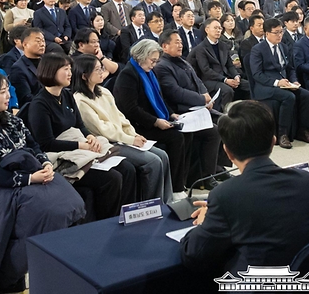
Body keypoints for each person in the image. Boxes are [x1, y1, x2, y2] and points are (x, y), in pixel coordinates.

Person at [0, 72, 85, 290]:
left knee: (72, 203)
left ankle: (55, 258)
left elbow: (33, 146)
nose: (8, 96)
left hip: (30, 175)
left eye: (8, 90)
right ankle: (16, 267)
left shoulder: (12, 121)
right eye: (2, 92)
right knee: (49, 210)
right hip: (0, 187)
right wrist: (28, 179)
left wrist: (44, 163)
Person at [181, 100, 309, 287]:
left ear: (227, 151)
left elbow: (194, 255)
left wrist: (207, 220)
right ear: (273, 142)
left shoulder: (225, 195)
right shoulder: (306, 181)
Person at [24, 53, 136, 220]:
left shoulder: (67, 95)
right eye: (65, 69)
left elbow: (80, 125)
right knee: (111, 178)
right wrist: (81, 145)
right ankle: (107, 222)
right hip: (62, 157)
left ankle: (127, 216)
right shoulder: (39, 104)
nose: (70, 73)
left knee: (128, 169)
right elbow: (46, 143)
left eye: (70, 69)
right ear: (51, 71)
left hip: (80, 149)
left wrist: (90, 137)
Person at [71, 55, 172, 202]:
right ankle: (153, 205)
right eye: (97, 69)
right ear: (84, 75)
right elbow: (102, 129)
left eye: (102, 68)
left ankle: (166, 201)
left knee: (162, 155)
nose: (102, 72)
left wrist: (134, 134)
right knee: (153, 161)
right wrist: (130, 139)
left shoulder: (103, 91)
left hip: (124, 138)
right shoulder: (80, 100)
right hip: (108, 143)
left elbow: (121, 117)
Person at [113, 39, 192, 193]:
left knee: (186, 133)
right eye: (152, 60)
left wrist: (171, 114)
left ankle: (181, 181)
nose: (154, 64)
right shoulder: (128, 75)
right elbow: (131, 109)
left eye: (156, 61)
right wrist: (155, 122)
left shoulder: (148, 72)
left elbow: (158, 98)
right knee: (176, 138)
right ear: (141, 56)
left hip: (151, 119)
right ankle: (175, 189)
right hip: (137, 125)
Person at [153, 31, 224, 187]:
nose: (180, 45)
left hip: (197, 108)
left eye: (180, 42)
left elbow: (198, 81)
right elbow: (175, 92)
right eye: (176, 42)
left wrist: (205, 94)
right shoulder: (162, 67)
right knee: (213, 131)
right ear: (164, 47)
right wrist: (201, 99)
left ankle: (215, 169)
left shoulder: (182, 61)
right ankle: (205, 177)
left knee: (225, 121)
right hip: (181, 112)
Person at [249, 18, 309, 148]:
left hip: (285, 82)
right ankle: (282, 134)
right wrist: (277, 83)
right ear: (267, 33)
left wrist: (294, 81)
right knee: (288, 97)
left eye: (281, 32)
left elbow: (290, 68)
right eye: (276, 32)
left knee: (306, 95)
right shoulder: (258, 49)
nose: (279, 35)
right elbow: (257, 74)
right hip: (265, 86)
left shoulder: (284, 47)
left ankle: (303, 130)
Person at [189, 18, 249, 105]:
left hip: (226, 76)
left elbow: (230, 65)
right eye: (215, 28)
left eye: (220, 28)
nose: (218, 30)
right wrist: (225, 80)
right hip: (210, 80)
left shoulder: (223, 45)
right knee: (227, 91)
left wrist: (236, 75)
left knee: (248, 85)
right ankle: (224, 115)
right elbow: (206, 70)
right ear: (207, 30)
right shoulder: (200, 48)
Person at [9, 28, 47, 108]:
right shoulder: (18, 68)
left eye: (43, 41)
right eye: (38, 41)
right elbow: (25, 98)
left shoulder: (48, 63)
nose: (42, 44)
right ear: (25, 44)